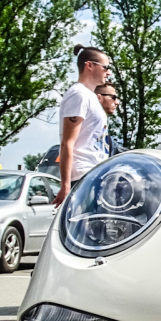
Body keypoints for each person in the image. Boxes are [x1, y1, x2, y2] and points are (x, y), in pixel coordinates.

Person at [52, 46, 111, 206]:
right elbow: (67, 142)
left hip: (95, 174)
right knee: (87, 228)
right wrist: (65, 185)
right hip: (82, 177)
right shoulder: (78, 95)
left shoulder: (90, 96)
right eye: (105, 67)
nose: (108, 72)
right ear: (89, 65)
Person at [95, 83, 123, 157]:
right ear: (99, 97)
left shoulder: (102, 122)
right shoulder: (88, 123)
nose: (117, 102)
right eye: (113, 97)